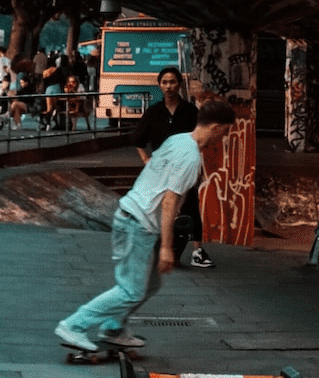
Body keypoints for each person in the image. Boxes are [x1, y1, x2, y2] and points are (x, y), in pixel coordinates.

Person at [55, 100, 237, 353]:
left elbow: (154, 172)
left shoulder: (178, 140)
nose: (224, 138)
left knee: (149, 285)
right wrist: (166, 247)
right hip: (137, 223)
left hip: (136, 218)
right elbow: (170, 200)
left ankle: (113, 328)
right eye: (226, 132)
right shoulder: (191, 157)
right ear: (216, 128)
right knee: (130, 290)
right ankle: (73, 325)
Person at [136, 67, 213, 269]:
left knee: (191, 207)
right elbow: (138, 139)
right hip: (161, 169)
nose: (169, 86)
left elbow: (201, 139)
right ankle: (160, 249)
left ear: (179, 84)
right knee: (158, 208)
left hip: (185, 167)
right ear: (159, 85)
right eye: (165, 82)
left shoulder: (190, 111)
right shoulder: (153, 112)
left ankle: (198, 251)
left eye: (172, 82)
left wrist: (200, 168)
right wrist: (146, 160)